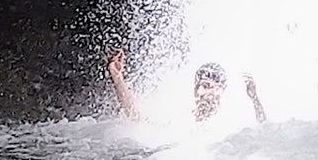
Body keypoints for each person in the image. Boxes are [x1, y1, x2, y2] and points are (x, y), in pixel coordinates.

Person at [106, 48, 266, 125]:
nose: (201, 92)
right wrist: (118, 78)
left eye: (207, 86)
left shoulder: (229, 123)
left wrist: (255, 99)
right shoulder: (182, 121)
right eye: (198, 87)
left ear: (220, 90)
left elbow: (264, 133)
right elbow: (137, 118)